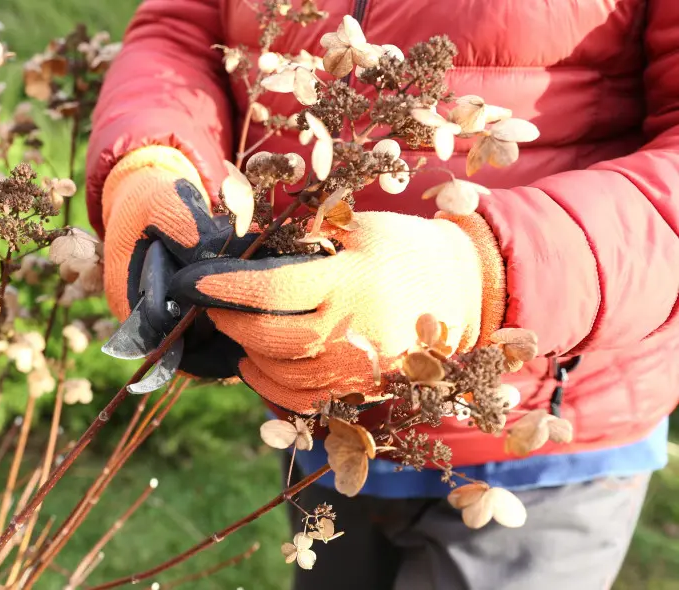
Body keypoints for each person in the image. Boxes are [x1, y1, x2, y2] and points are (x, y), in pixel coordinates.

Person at [84, 1, 679, 588]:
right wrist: (147, 159)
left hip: (537, 444)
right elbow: (186, 29)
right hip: (314, 413)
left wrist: (482, 275)